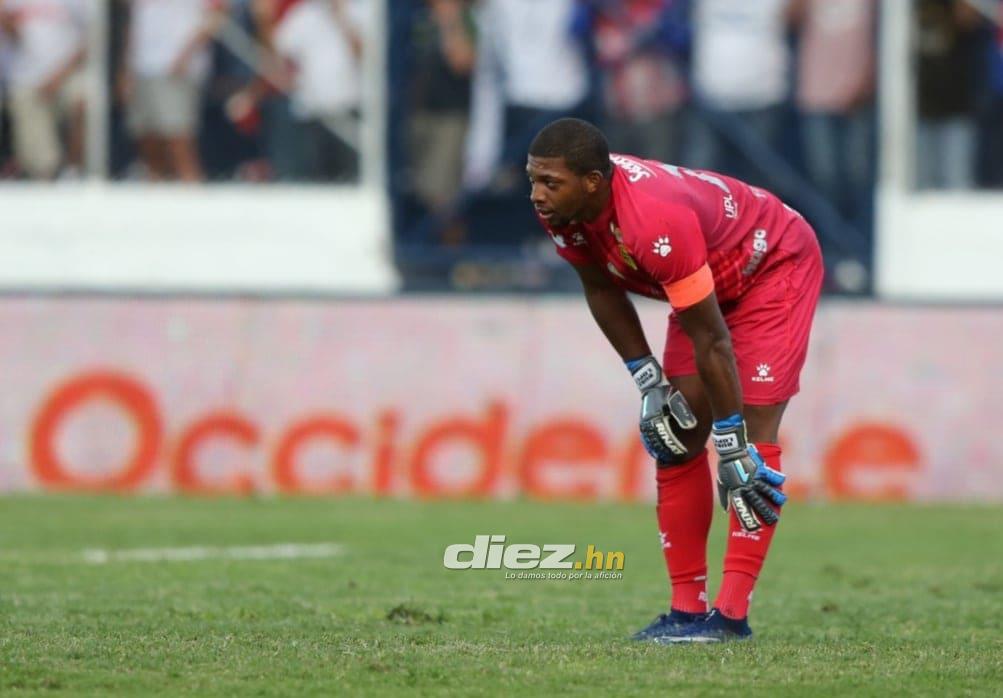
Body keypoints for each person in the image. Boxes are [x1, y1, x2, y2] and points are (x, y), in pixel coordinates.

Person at [526, 118, 823, 642]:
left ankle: (730, 618)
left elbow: (712, 340)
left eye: (550, 182)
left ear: (593, 181)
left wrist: (730, 443)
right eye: (533, 179)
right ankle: (687, 611)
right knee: (678, 432)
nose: (537, 194)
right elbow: (600, 288)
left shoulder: (652, 219)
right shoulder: (566, 213)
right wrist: (648, 380)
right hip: (706, 284)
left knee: (751, 441)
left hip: (772, 265)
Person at [119, 0, 226, 182]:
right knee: (147, 138)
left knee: (178, 137)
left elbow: (218, 15)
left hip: (176, 68)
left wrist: (187, 53)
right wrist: (126, 67)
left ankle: (193, 193)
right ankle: (157, 197)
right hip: (143, 66)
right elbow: (134, 21)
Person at [0, 0, 87, 180]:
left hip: (68, 73)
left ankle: (74, 171)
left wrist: (57, 77)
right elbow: (13, 35)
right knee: (40, 164)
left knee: (86, 97)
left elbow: (92, 40)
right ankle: (44, 177)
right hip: (26, 79)